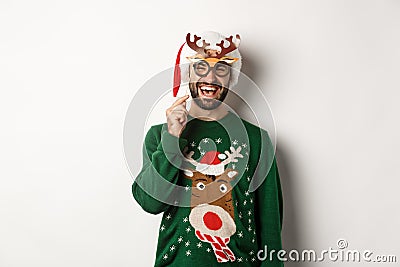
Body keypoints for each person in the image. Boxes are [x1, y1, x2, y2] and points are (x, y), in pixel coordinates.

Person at [132, 31, 283, 266]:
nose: (210, 78)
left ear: (230, 77)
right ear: (187, 73)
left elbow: (270, 227)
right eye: (200, 67)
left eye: (221, 69)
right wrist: (172, 138)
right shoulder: (160, 136)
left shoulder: (257, 140)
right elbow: (151, 202)